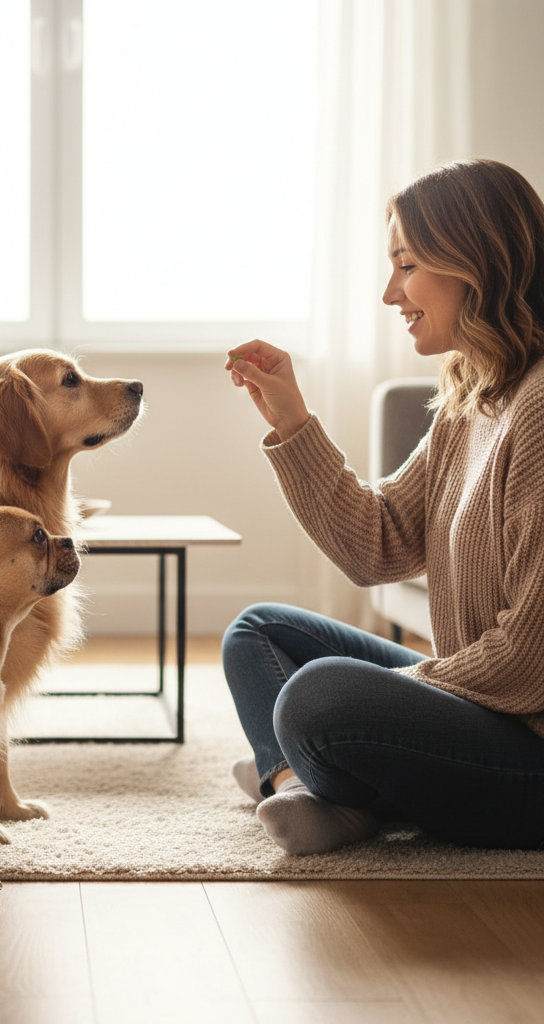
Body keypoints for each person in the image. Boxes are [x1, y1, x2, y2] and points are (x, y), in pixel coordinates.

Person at [222, 158, 544, 856]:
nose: (389, 292)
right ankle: (301, 783)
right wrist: (292, 419)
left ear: (475, 262)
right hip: (485, 710)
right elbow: (377, 545)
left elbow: (529, 660)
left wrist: (393, 687)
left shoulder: (540, 408)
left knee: (317, 697)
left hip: (531, 755)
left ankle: (322, 781)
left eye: (406, 265)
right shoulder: (474, 397)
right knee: (259, 631)